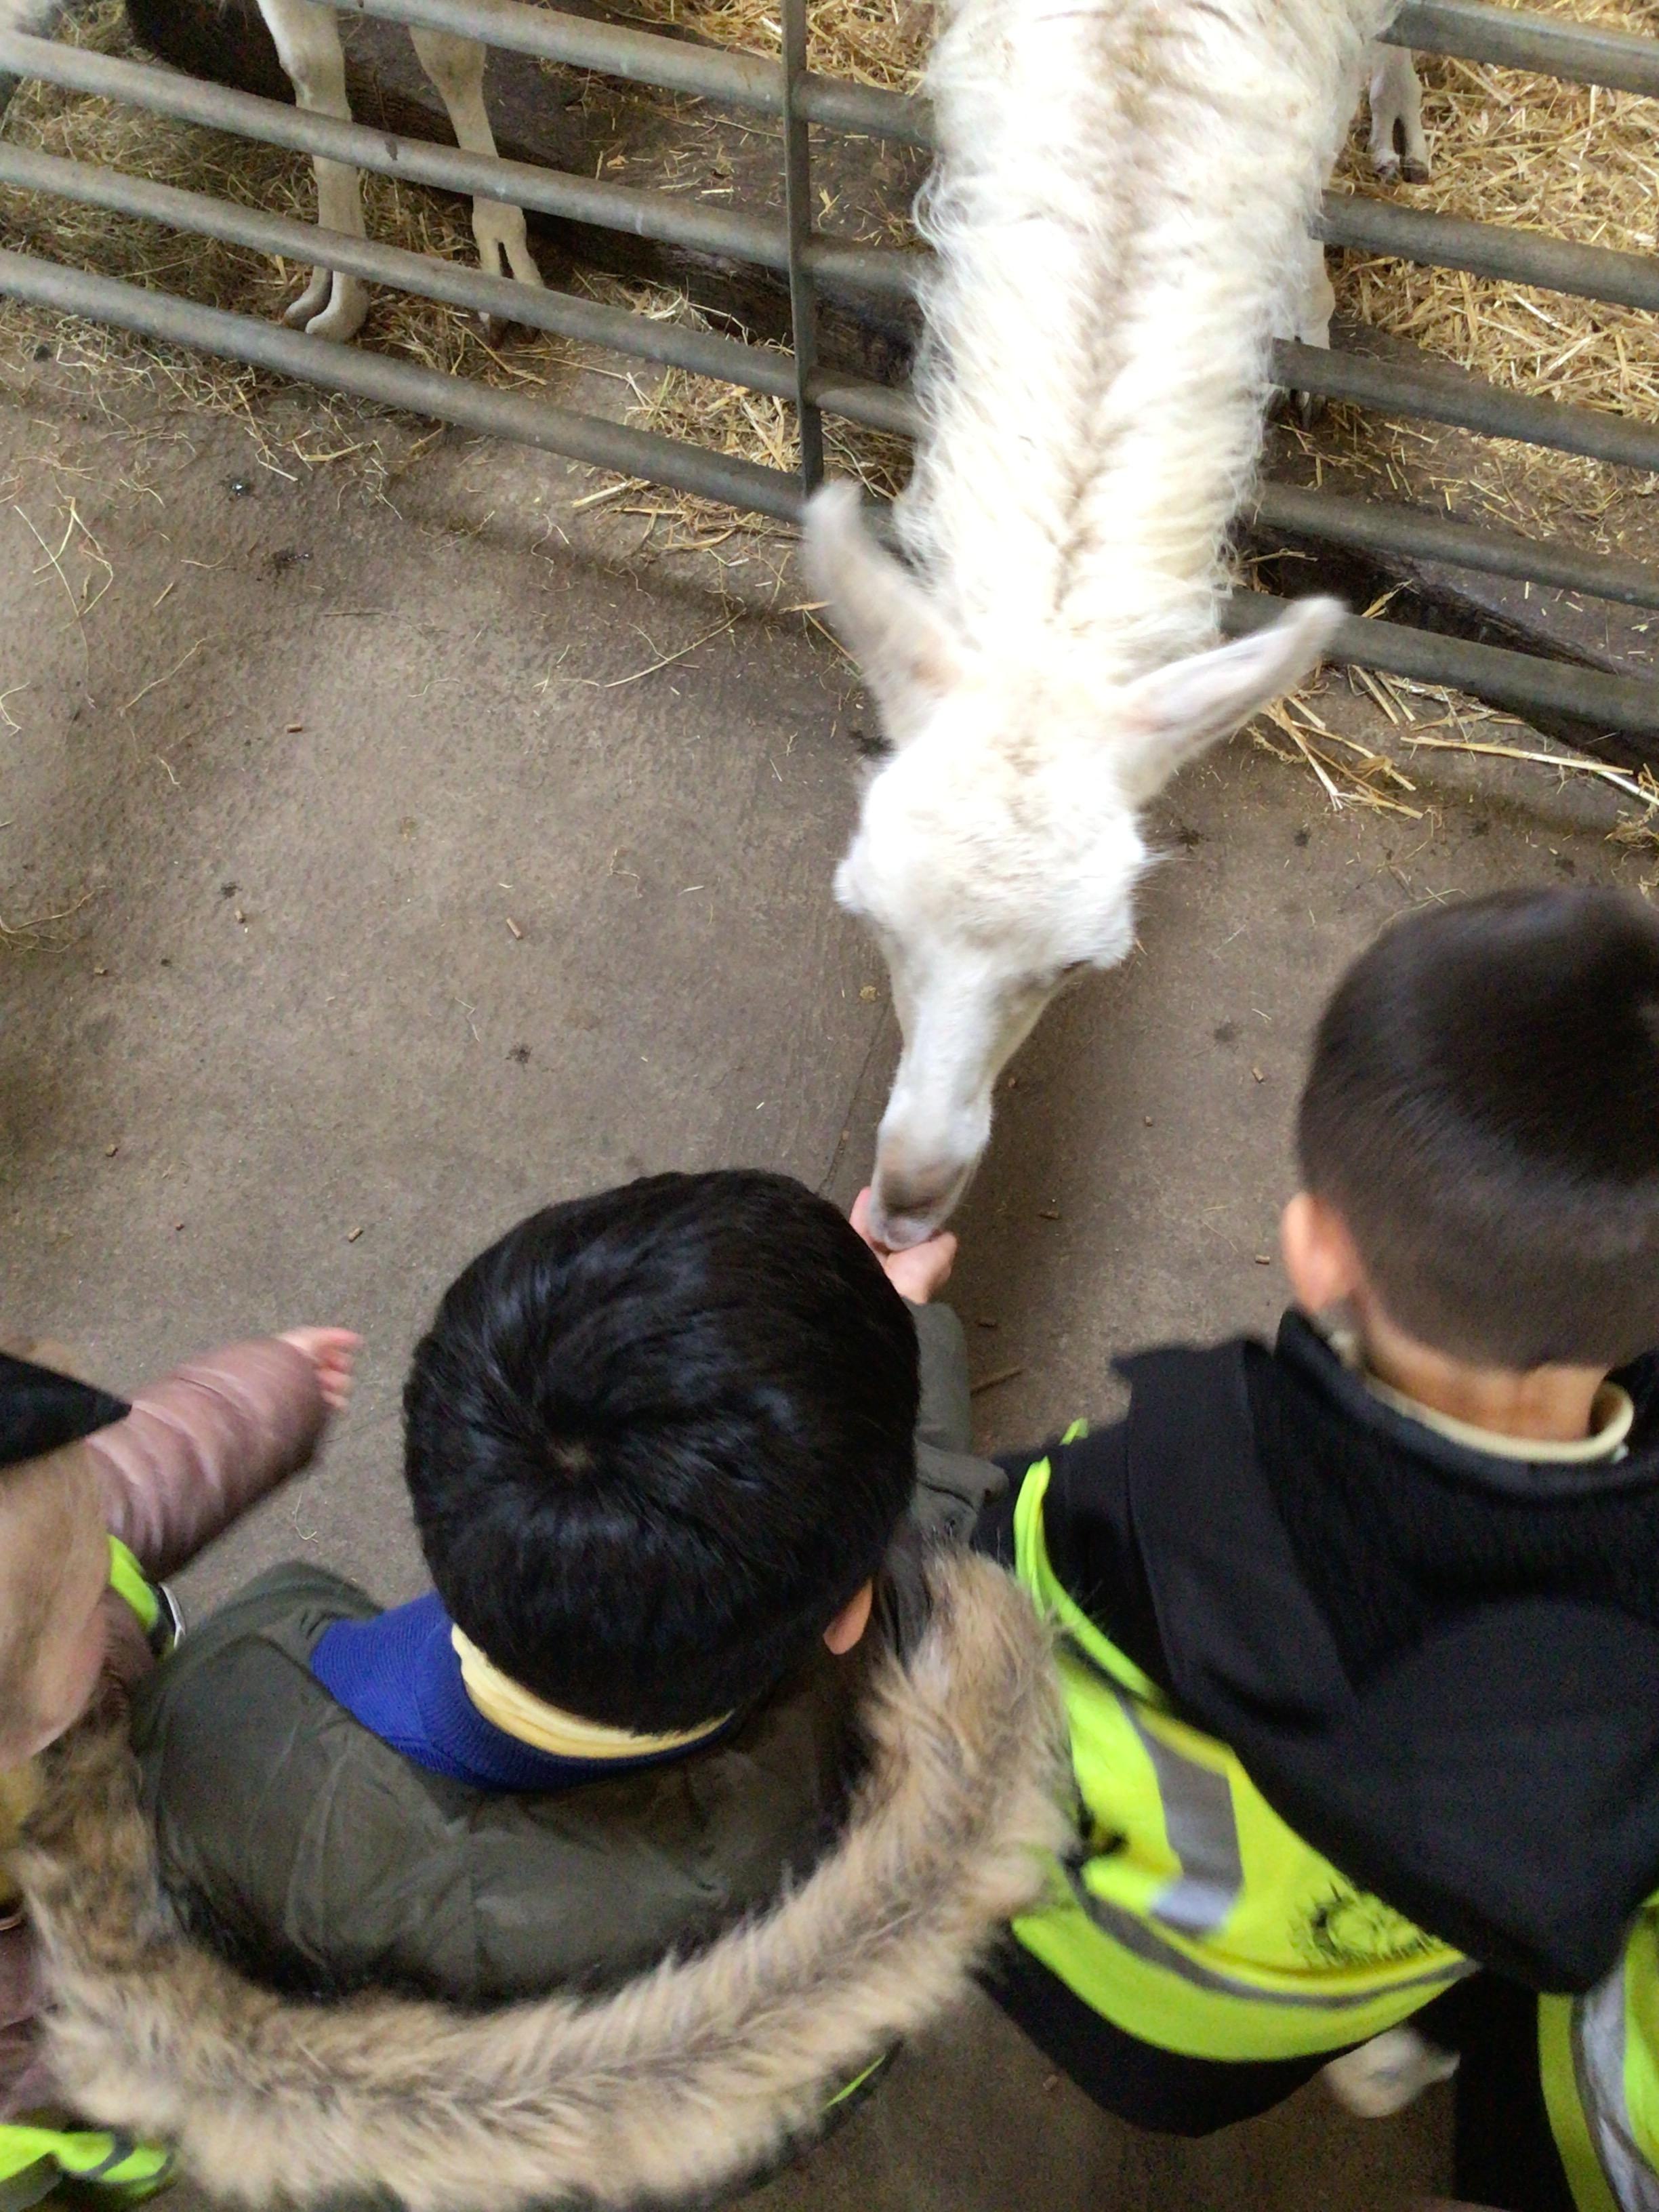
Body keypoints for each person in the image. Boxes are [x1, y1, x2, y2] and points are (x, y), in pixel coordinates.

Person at [63, 1170, 1059, 2211]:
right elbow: (923, 1546)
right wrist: (890, 1357)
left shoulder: (239, 1730)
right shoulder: (907, 1671)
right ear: (846, 1612)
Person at [926, 886, 1659, 2212]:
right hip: (1320, 2009)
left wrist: (893, 1365)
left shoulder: (1164, 1486)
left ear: (1316, 1252)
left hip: (1112, 2001)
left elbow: (962, 1579)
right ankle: (1411, 2038)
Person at [0, 1325, 356, 2211]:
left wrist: (265, 1390)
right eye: (87, 1601)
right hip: (75, 2077)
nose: (106, 1567)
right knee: (104, 2128)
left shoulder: (28, 1533)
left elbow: (133, 1475)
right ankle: (126, 2165)